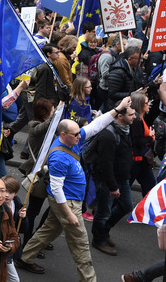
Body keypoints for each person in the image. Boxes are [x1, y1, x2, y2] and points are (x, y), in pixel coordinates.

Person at [15, 96, 134, 280]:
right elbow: (56, 189)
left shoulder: (72, 139)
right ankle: (89, 279)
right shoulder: (59, 158)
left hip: (70, 201)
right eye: (76, 134)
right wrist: (69, 214)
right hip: (68, 204)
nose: (80, 136)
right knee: (81, 244)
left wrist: (117, 109)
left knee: (49, 230)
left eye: (79, 133)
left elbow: (95, 126)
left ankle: (24, 257)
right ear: (64, 135)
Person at [89, 99, 138, 256]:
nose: (135, 117)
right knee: (104, 211)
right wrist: (112, 187)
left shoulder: (125, 129)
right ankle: (99, 239)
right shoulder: (108, 135)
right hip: (108, 181)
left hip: (122, 178)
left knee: (126, 206)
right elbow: (105, 164)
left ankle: (104, 230)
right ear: (119, 116)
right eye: (131, 114)